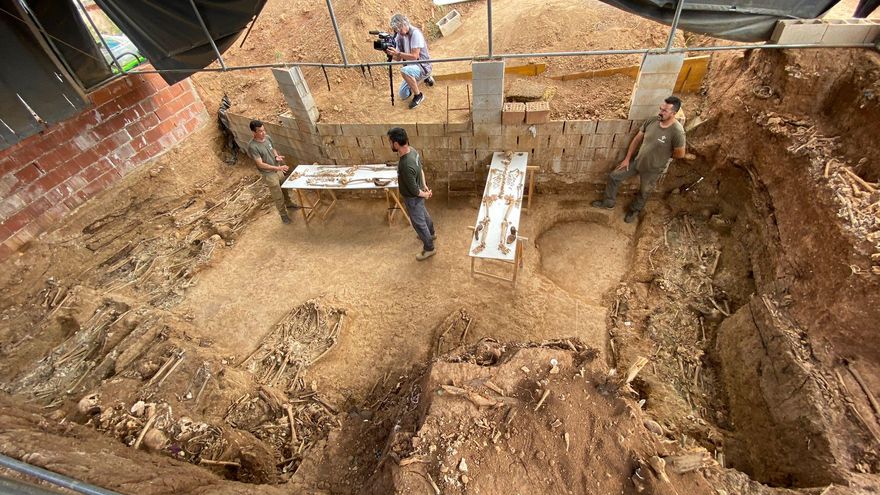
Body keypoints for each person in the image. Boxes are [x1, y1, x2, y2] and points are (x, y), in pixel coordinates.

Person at [592, 96, 686, 223]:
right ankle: (608, 203)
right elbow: (637, 139)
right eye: (661, 108)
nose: (660, 112)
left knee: (644, 191)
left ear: (673, 113)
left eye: (665, 111)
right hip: (637, 161)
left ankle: (634, 209)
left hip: (653, 169)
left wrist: (662, 156)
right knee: (614, 176)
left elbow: (680, 154)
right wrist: (627, 159)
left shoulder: (677, 132)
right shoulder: (652, 121)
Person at [387, 127, 436, 260]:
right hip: (419, 195)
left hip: (413, 198)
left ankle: (429, 248)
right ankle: (431, 234)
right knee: (424, 215)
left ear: (396, 144)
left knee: (418, 223)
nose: (390, 144)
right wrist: (425, 186)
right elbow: (420, 170)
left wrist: (425, 194)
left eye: (390, 142)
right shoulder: (413, 151)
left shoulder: (405, 165)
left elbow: (414, 190)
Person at [246, 120, 298, 224]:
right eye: (260, 131)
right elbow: (260, 164)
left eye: (264, 130)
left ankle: (289, 204)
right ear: (254, 132)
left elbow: (273, 148)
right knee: (277, 196)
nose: (263, 133)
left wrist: (276, 156)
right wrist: (278, 168)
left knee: (284, 189)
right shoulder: (253, 146)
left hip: (277, 169)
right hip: (269, 174)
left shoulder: (267, 138)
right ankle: (283, 215)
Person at [386, 13, 435, 110]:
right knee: (403, 94)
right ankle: (421, 79)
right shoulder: (399, 36)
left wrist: (398, 53)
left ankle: (418, 95)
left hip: (422, 66)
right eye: (396, 30)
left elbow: (414, 56)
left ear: (404, 24)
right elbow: (398, 58)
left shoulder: (415, 33)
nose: (398, 32)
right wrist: (389, 53)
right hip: (411, 68)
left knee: (405, 71)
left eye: (399, 29)